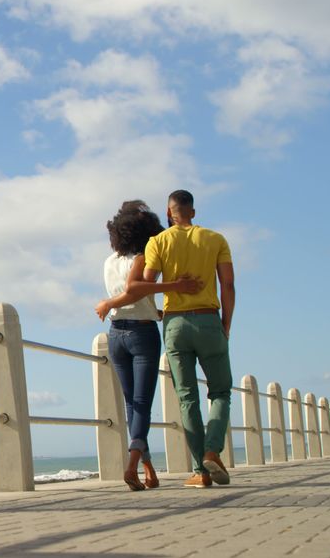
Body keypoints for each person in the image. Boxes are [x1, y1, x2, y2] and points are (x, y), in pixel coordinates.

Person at [95, 201, 202, 491]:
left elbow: (128, 297)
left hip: (116, 334)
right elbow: (134, 291)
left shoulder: (109, 262)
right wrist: (176, 287)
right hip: (142, 335)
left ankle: (148, 468)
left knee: (132, 405)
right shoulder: (142, 257)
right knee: (142, 404)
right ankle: (131, 466)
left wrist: (151, 309)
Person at [141, 190, 235, 488]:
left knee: (187, 398)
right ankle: (212, 450)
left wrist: (161, 304)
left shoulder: (158, 242)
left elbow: (144, 283)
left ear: (169, 213)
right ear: (192, 212)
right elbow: (229, 285)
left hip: (175, 324)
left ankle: (201, 472)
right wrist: (225, 324)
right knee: (220, 392)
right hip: (209, 319)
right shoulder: (215, 239)